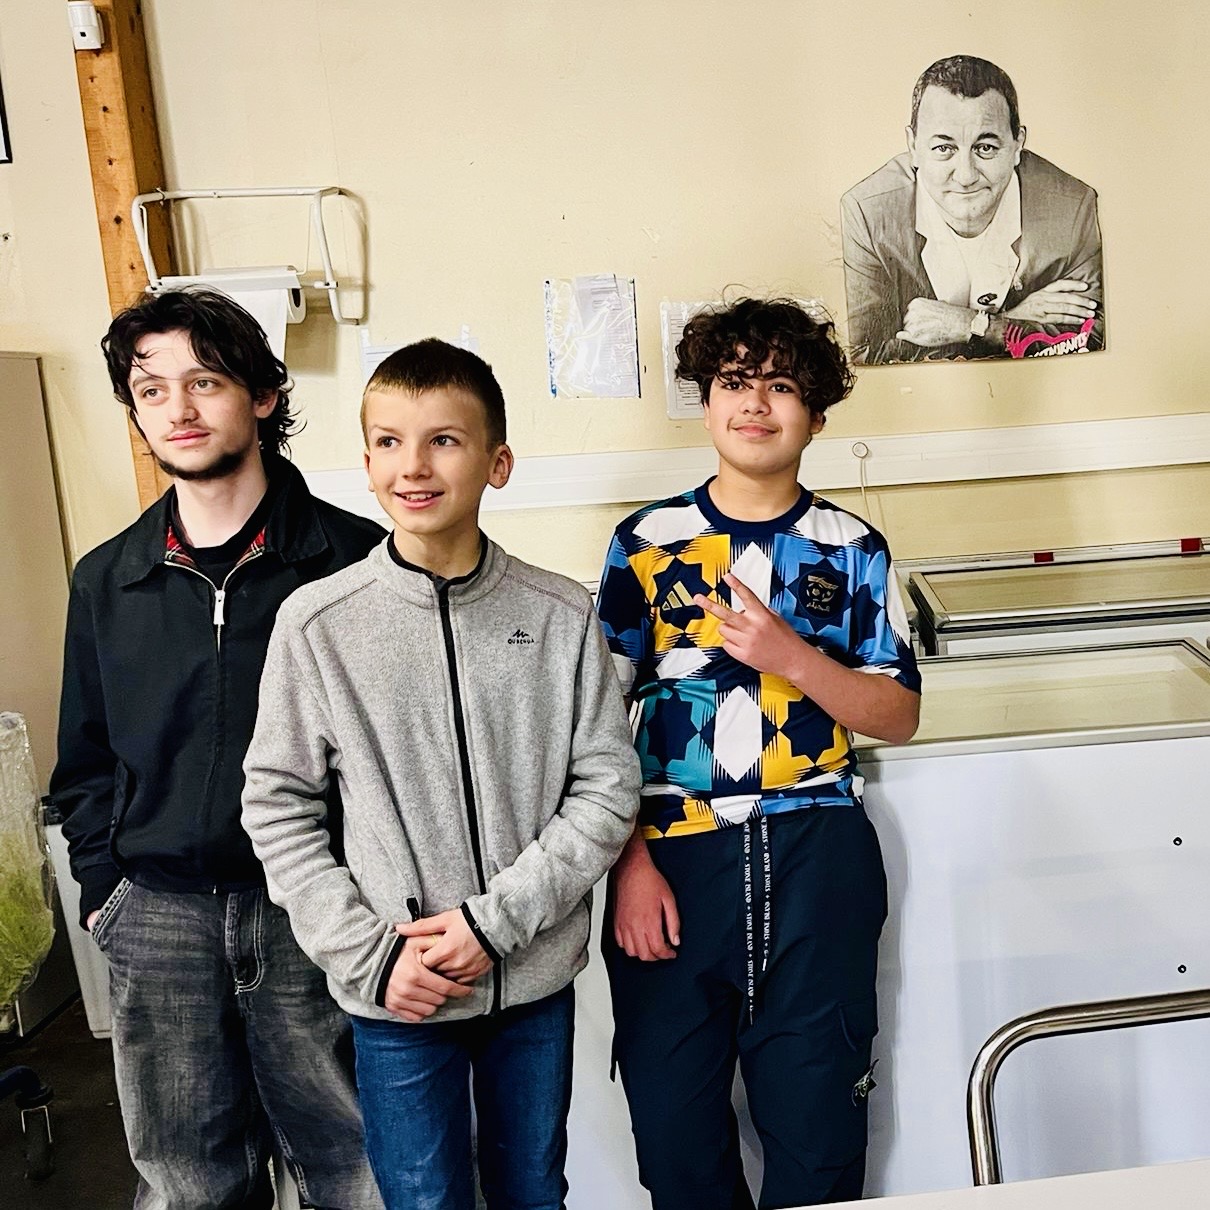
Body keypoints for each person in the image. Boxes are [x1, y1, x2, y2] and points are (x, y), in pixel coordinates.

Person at [240, 338, 641, 1210]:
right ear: (366, 462)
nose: (412, 466)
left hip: (529, 981)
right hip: (398, 992)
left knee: (532, 1190)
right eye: (388, 442)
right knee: (422, 1198)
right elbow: (277, 807)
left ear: (497, 462)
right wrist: (370, 955)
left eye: (443, 441)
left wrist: (495, 925)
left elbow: (607, 788)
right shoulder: (318, 624)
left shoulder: (559, 613)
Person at [51, 288, 386, 1209]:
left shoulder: (356, 562)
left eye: (204, 382)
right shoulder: (106, 579)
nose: (179, 409)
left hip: (315, 912)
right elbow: (84, 759)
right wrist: (106, 892)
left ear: (263, 395)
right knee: (189, 1188)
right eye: (152, 390)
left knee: (359, 1175)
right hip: (157, 916)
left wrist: (364, 899)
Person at [596, 298, 922, 1209]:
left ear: (815, 414)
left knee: (820, 1130)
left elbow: (898, 713)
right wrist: (627, 863)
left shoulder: (852, 548)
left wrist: (793, 658)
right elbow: (593, 727)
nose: (754, 403)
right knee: (676, 1138)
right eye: (735, 382)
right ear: (706, 403)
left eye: (781, 385)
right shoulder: (645, 544)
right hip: (671, 863)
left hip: (816, 854)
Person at [841, 54, 1104, 363]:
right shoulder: (867, 214)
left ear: (1017, 145)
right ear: (913, 146)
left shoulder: (1071, 208)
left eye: (986, 148)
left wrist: (976, 326)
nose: (965, 176)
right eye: (944, 148)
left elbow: (1088, 341)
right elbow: (863, 357)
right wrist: (1013, 323)